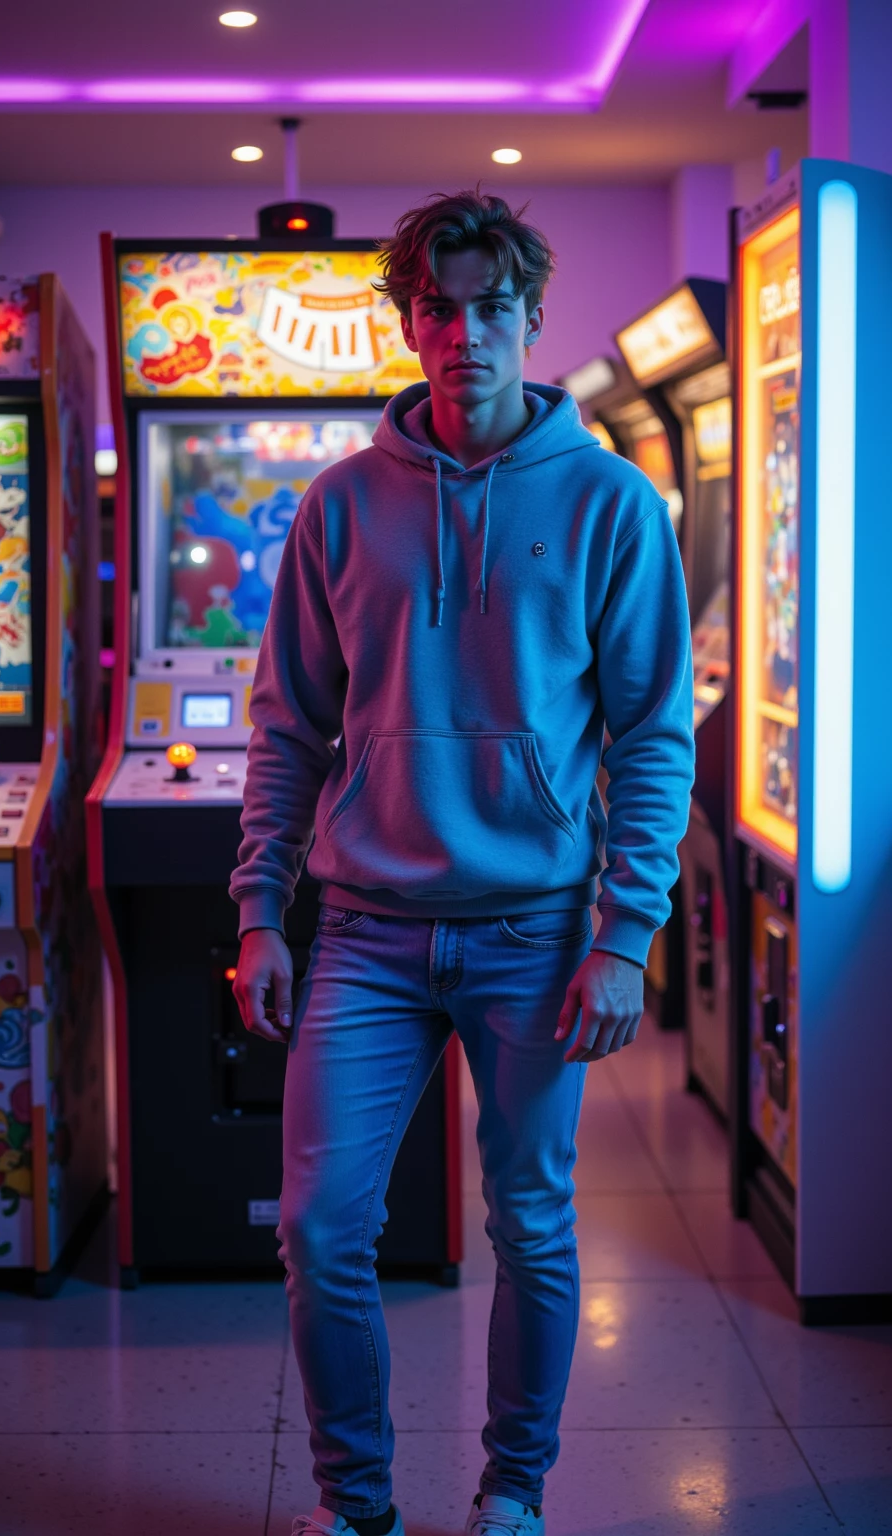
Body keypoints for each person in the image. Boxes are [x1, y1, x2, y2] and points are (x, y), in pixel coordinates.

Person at [231, 190, 694, 1536]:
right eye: (439, 306)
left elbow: (654, 736)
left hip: (537, 931)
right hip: (365, 931)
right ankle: (357, 1504)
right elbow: (286, 725)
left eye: (494, 306)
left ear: (531, 319)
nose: (466, 333)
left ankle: (512, 1492)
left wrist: (625, 935)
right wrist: (262, 908)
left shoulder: (613, 503)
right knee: (321, 1231)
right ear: (407, 320)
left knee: (534, 1226)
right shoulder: (339, 505)